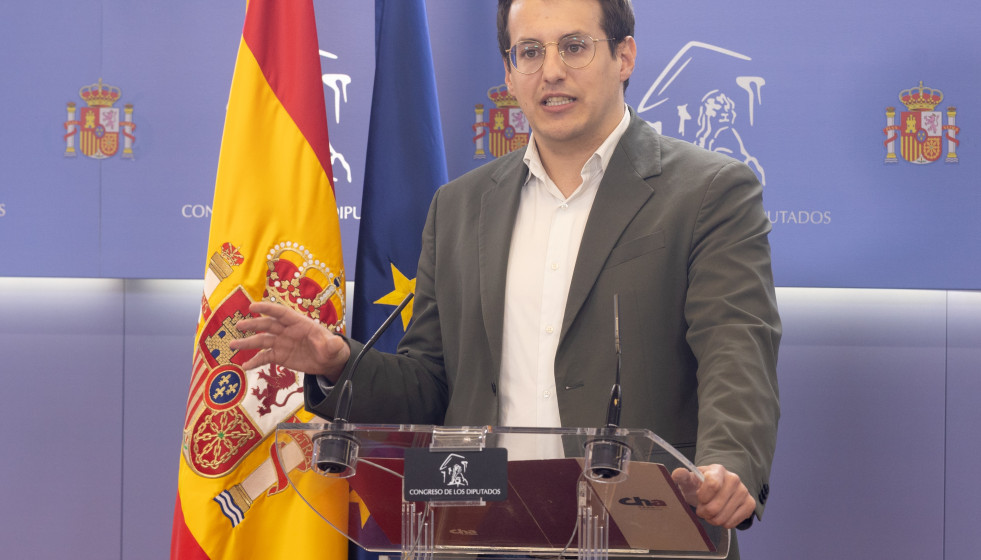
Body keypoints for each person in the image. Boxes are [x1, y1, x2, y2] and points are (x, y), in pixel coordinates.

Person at [231, 0, 780, 551]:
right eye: (530, 52)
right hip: (479, 533)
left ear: (625, 56)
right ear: (510, 73)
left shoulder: (708, 192)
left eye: (574, 46)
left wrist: (728, 464)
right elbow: (432, 384)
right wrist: (338, 363)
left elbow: (736, 350)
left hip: (638, 533)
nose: (552, 71)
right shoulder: (459, 207)